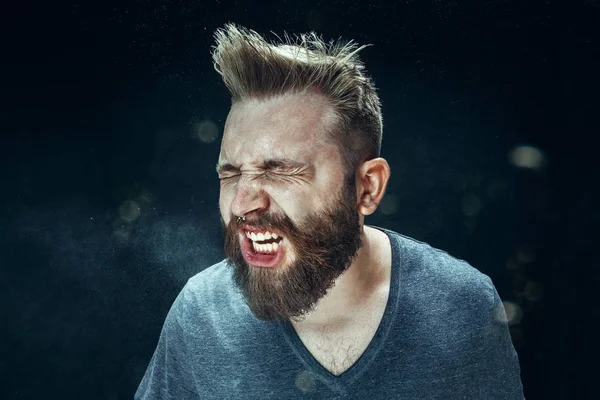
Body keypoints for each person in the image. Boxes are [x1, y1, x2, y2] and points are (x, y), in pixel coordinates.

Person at [135, 23, 525, 399]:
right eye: (231, 174)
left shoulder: (461, 306)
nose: (242, 204)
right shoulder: (201, 313)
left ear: (368, 187)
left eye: (283, 171)